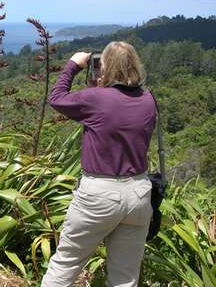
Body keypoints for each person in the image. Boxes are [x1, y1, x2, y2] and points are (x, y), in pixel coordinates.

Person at [41, 41, 157, 287]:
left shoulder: (95, 98)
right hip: (138, 193)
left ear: (104, 68)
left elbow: (57, 98)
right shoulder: (148, 100)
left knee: (66, 264)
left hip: (99, 194)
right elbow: (116, 105)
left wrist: (73, 65)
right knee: (125, 277)